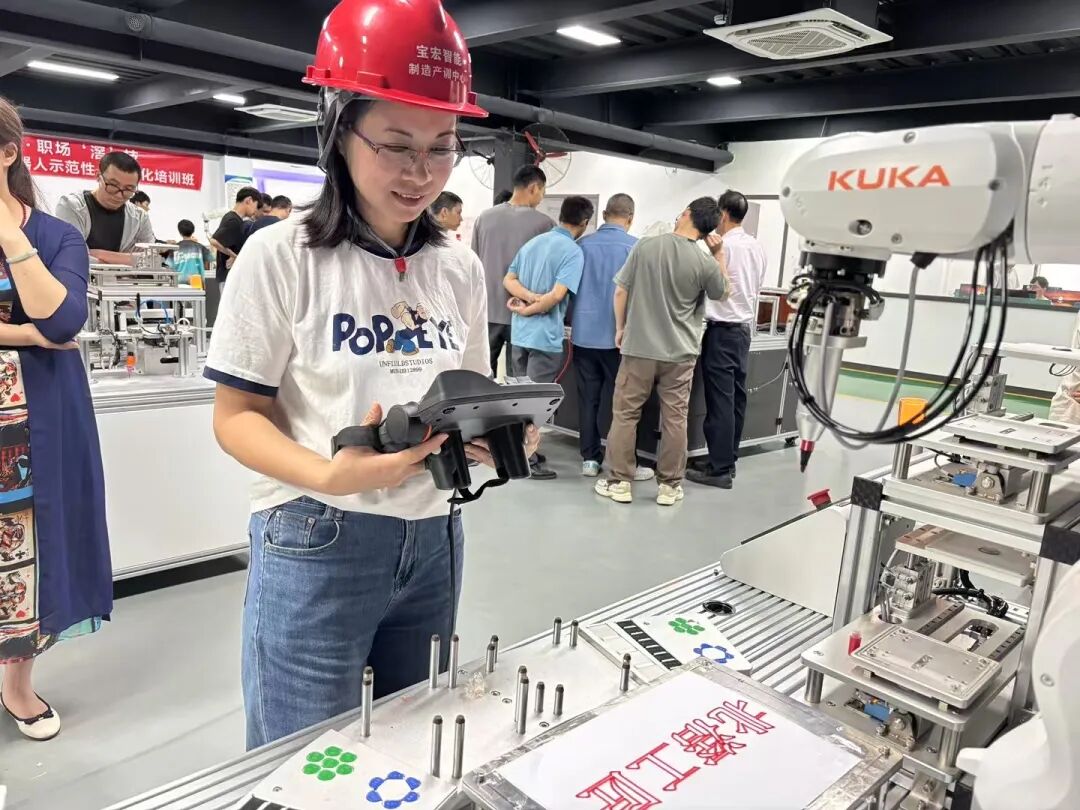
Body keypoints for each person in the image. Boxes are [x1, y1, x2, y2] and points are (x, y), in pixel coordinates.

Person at [204, 0, 539, 749]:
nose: (422, 173)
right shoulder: (281, 255)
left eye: (443, 147)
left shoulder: (457, 266)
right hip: (317, 532)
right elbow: (235, 418)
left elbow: (468, 393)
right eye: (396, 146)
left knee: (408, 747)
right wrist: (331, 475)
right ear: (337, 130)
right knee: (300, 759)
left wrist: (497, 434)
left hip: (435, 533)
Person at [0, 97, 111, 741]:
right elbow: (45, 329)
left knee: (30, 545)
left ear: (7, 153)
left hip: (34, 422)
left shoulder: (53, 235)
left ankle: (17, 684)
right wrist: (24, 335)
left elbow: (64, 318)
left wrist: (10, 237)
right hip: (30, 383)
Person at [595, 197, 729, 506]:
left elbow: (621, 290)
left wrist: (620, 328)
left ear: (686, 214)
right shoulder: (704, 261)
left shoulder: (645, 246)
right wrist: (719, 254)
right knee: (675, 418)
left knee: (625, 415)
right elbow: (723, 292)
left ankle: (620, 482)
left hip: (639, 348)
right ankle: (669, 486)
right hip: (680, 353)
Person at [504, 196, 593, 479]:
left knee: (519, 398)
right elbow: (556, 296)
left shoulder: (534, 243)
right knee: (534, 403)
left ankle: (518, 451)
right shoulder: (572, 251)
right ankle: (525, 460)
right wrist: (533, 307)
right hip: (543, 337)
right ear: (585, 222)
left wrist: (526, 301)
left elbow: (509, 280)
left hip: (519, 334)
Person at [688, 190, 767, 491]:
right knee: (735, 398)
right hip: (743, 331)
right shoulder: (757, 247)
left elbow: (714, 287)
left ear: (722, 214)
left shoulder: (722, 247)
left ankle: (719, 470)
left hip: (721, 330)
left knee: (720, 401)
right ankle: (726, 459)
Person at [571, 193, 638, 477]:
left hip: (583, 335)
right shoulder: (636, 248)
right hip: (618, 338)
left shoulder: (581, 246)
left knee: (588, 398)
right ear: (630, 218)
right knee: (621, 403)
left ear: (604, 215)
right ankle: (619, 459)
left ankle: (590, 458)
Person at [471, 166, 553, 378]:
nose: (542, 198)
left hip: (487, 310)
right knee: (518, 377)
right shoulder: (545, 224)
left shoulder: (484, 218)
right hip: (524, 312)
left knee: (481, 373)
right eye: (543, 191)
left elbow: (474, 265)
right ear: (534, 188)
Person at [54, 151, 155, 266]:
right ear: (98, 177)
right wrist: (128, 260)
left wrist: (100, 254)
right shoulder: (72, 206)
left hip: (122, 279)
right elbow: (74, 256)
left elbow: (151, 259)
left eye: (128, 189)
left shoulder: (140, 217)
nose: (119, 195)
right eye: (113, 185)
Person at [209, 186, 260, 286]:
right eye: (256, 205)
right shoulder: (233, 220)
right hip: (228, 277)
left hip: (228, 276)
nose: (255, 210)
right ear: (249, 200)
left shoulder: (232, 218)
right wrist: (236, 257)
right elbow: (214, 241)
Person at [166, 219, 213, 284]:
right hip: (197, 284)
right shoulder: (200, 247)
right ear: (193, 231)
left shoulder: (174, 249)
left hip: (180, 284)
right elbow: (212, 257)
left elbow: (168, 266)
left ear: (180, 232)